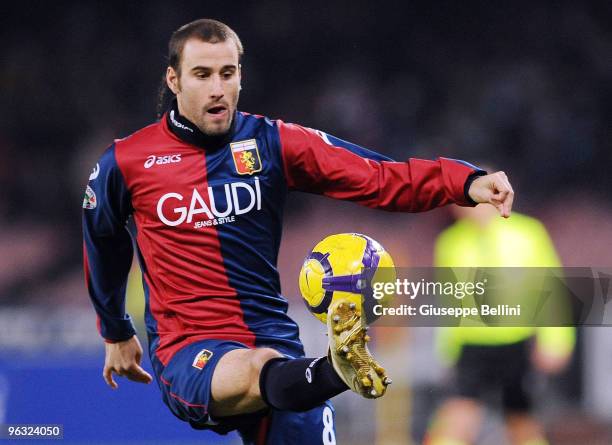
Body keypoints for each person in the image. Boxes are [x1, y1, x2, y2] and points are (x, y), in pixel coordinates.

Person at [82, 18, 514, 444]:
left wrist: (464, 181)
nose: (217, 88)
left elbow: (377, 176)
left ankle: (326, 371)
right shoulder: (127, 161)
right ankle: (334, 369)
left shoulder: (271, 142)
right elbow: (102, 237)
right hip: (190, 348)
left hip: (277, 343)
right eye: (202, 74)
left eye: (227, 73)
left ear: (240, 76)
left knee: (271, 365)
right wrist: (116, 329)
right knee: (256, 366)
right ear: (174, 80)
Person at [424, 201, 575, 445]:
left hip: (516, 342)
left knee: (522, 421)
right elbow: (450, 301)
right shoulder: (451, 242)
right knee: (455, 419)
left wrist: (556, 340)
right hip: (471, 345)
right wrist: (446, 351)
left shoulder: (528, 233)